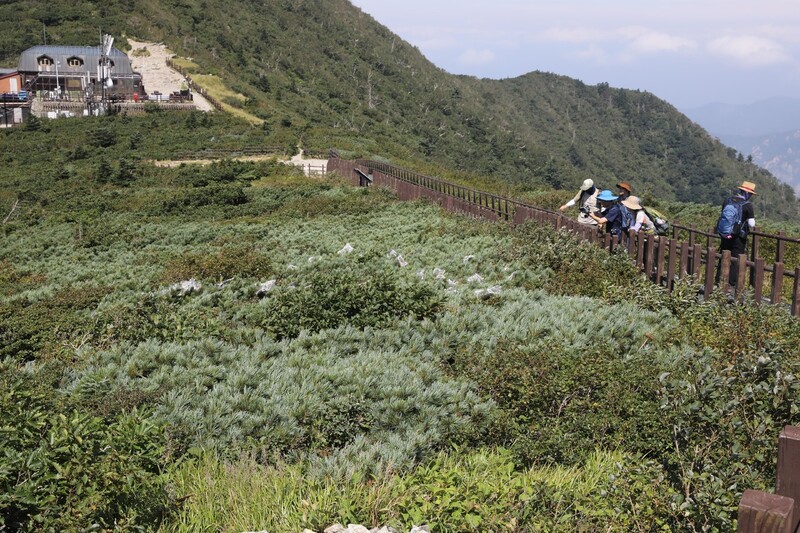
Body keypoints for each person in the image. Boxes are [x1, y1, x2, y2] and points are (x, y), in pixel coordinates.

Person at [715, 181, 757, 287]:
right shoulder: (747, 205)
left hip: (726, 234)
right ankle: (731, 284)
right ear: (747, 193)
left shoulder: (727, 200)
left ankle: (718, 280)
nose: (751, 196)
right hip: (739, 237)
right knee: (736, 259)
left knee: (723, 255)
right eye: (751, 194)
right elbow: (752, 224)